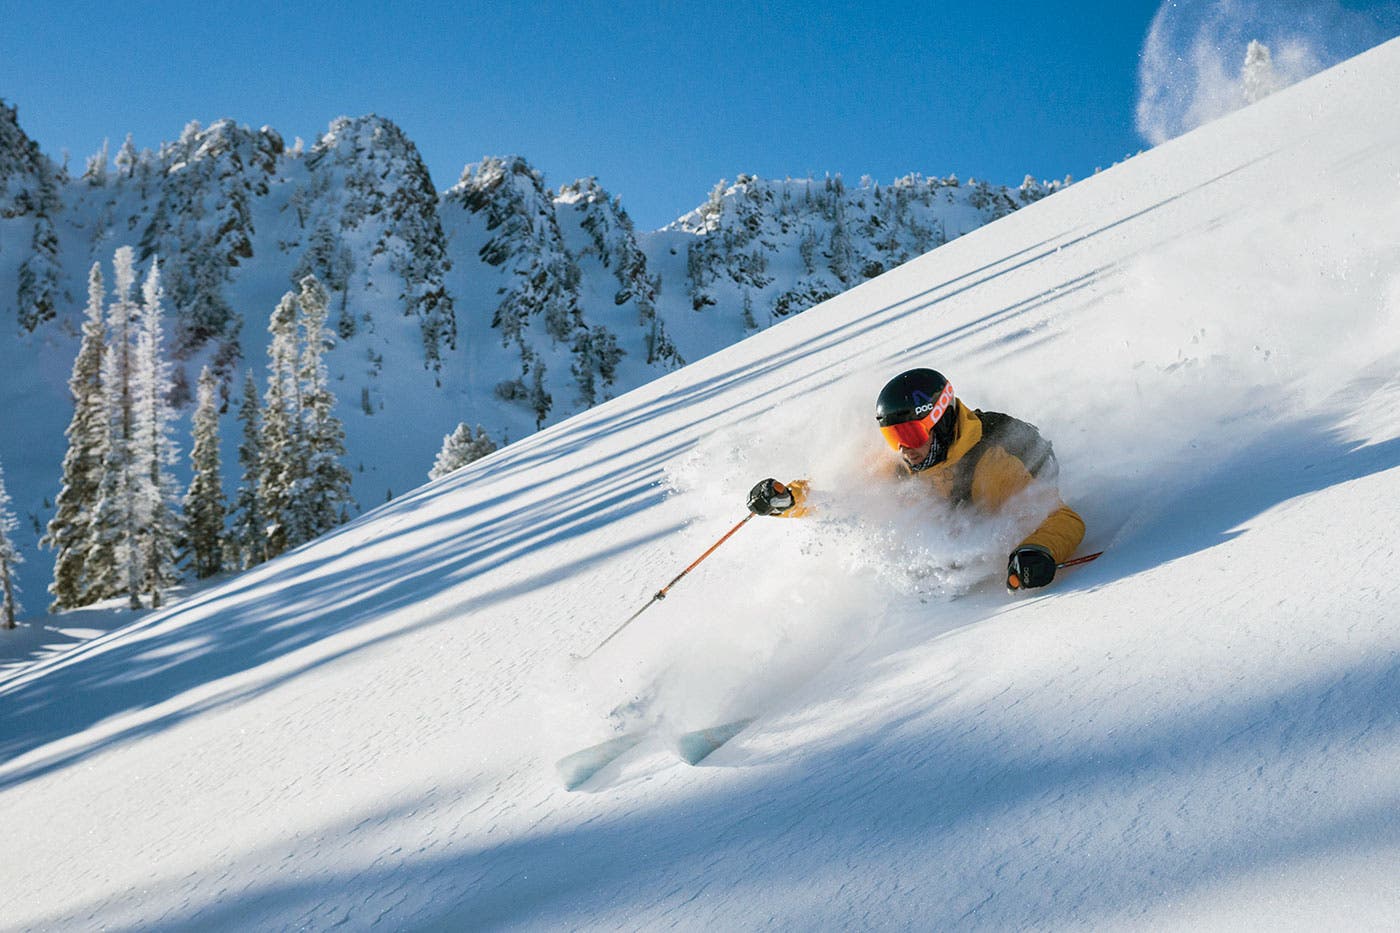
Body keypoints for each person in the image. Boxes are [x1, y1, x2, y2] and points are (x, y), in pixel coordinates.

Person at [747, 368, 1086, 591]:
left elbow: (1064, 518)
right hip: (953, 499)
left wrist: (1038, 551)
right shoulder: (902, 460)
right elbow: (843, 495)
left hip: (1020, 480)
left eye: (910, 433)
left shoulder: (994, 465)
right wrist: (788, 500)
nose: (905, 448)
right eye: (894, 437)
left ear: (940, 420)